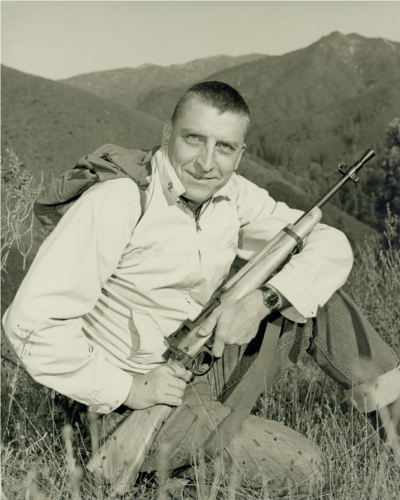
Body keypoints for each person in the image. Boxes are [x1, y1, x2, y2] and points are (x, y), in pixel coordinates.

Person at [3, 81, 399, 496]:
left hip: (198, 368)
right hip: (123, 401)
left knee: (318, 299)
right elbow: (29, 325)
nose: (207, 163)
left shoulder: (233, 196)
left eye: (225, 147)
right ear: (166, 135)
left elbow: (329, 242)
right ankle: (160, 480)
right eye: (194, 139)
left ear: (240, 153)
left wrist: (262, 303)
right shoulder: (118, 201)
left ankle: (397, 431)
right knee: (305, 468)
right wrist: (131, 389)